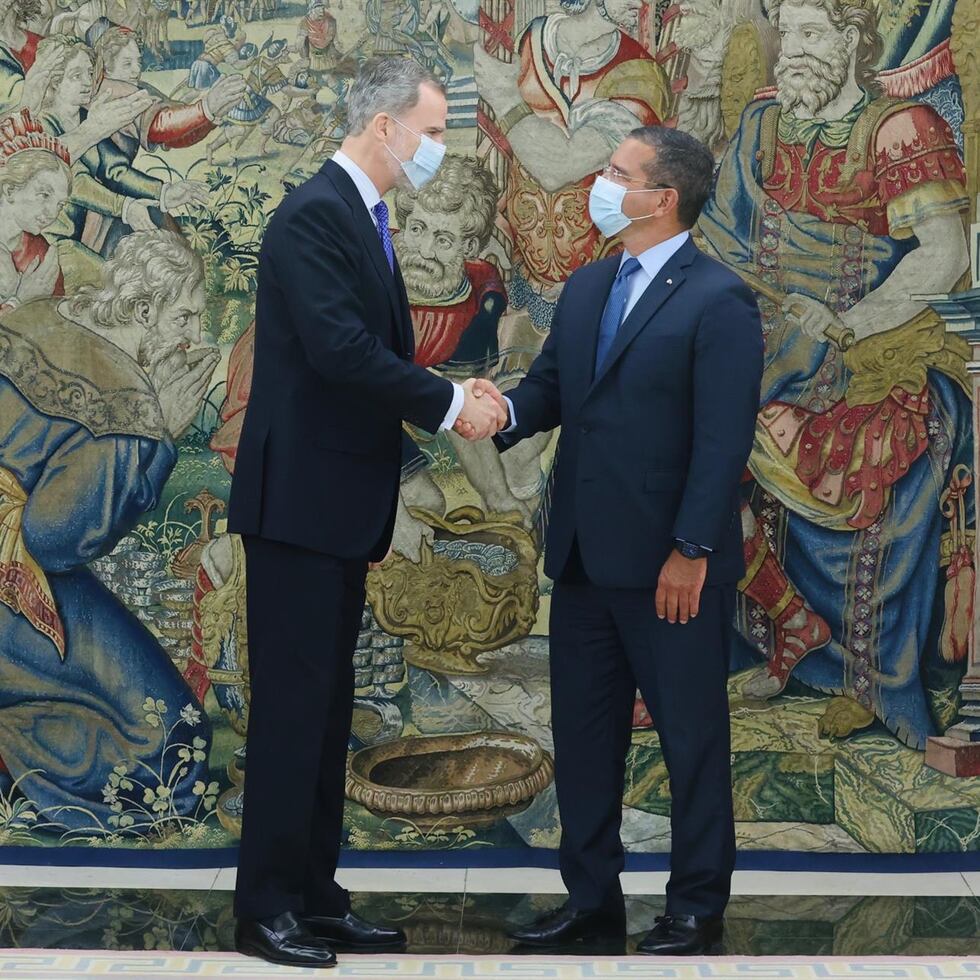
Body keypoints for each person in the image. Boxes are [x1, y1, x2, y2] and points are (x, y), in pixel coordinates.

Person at [226, 57, 507, 969]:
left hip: (336, 510)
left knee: (325, 710)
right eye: (430, 133)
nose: (435, 150)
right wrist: (449, 402)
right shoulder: (314, 214)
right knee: (291, 715)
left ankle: (315, 895)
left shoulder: (365, 215)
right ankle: (265, 908)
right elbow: (344, 351)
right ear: (382, 126)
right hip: (299, 510)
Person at [479, 126, 763, 954]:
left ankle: (696, 907)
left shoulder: (719, 299)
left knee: (692, 739)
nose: (600, 185)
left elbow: (722, 442)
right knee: (586, 738)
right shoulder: (588, 284)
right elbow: (550, 392)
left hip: (673, 568)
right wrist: (485, 410)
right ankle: (590, 902)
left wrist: (692, 551)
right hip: (581, 561)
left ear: (661, 197)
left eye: (614, 174)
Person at [697, 0, 972, 745]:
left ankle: (869, 680)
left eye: (811, 31)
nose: (791, 49)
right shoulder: (762, 123)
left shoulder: (900, 129)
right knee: (673, 435)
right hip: (759, 332)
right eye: (786, 32)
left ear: (852, 40)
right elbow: (720, 241)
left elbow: (945, 256)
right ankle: (788, 626)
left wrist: (852, 321)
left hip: (864, 344)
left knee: (789, 445)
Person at [0, 229, 219, 835]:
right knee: (175, 738)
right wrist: (162, 438)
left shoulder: (48, 314)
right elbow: (54, 541)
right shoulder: (125, 408)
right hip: (14, 585)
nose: (194, 338)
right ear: (144, 310)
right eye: (185, 316)